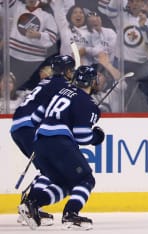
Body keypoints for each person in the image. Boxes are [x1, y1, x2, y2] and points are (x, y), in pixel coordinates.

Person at [18, 65, 105, 230]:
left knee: (64, 184)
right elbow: (82, 135)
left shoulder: (60, 92)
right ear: (92, 83)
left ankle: (32, 204)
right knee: (86, 179)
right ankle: (70, 214)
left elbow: (40, 116)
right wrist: (97, 137)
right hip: (58, 142)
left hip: (40, 142)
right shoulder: (87, 102)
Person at [10, 55, 75, 226]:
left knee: (47, 168)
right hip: (31, 127)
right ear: (68, 71)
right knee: (53, 168)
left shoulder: (46, 82)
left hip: (18, 127)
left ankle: (29, 208)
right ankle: (29, 206)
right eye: (71, 70)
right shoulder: (63, 86)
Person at [4, 0, 58, 90]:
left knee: (28, 90)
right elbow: (3, 3)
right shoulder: (16, 5)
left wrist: (39, 35)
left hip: (34, 61)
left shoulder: (46, 12)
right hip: (12, 56)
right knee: (10, 89)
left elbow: (52, 38)